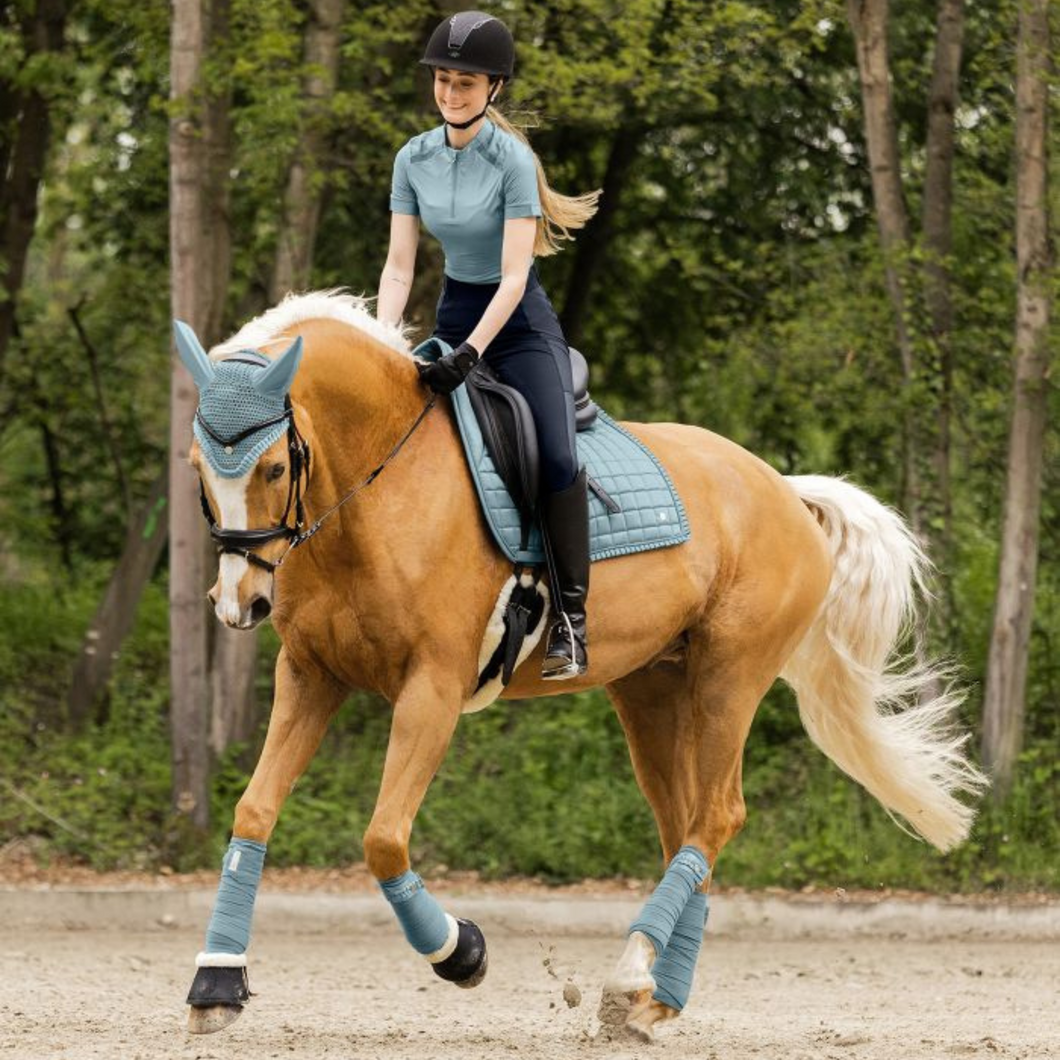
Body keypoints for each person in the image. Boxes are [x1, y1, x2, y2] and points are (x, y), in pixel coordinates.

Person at [376, 10, 600, 680]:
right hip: (454, 312)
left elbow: (513, 276)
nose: (450, 93)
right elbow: (397, 267)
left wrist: (469, 353)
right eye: (443, 80)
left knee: (557, 455)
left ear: (494, 87)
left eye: (465, 83)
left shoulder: (513, 160)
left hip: (518, 325)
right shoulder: (411, 158)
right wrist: (387, 342)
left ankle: (572, 619)